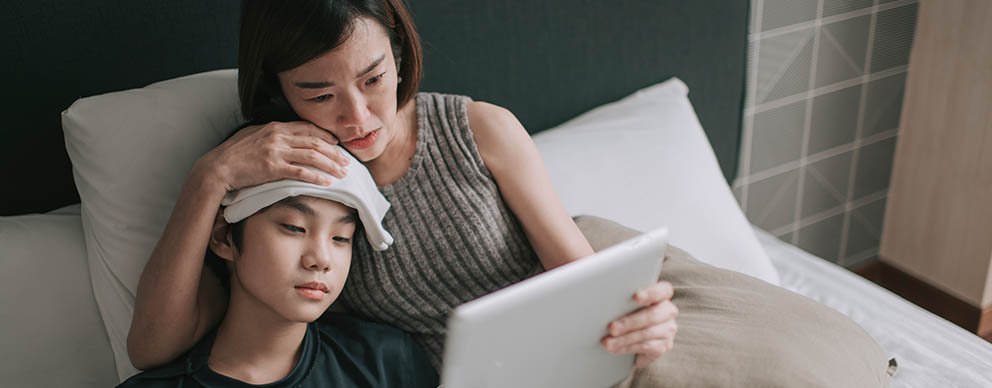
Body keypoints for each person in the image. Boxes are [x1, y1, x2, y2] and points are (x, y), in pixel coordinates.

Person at [128, 0, 678, 375]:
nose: (359, 116)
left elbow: (581, 281)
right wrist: (210, 176)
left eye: (373, 78)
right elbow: (153, 347)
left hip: (567, 358)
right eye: (319, 95)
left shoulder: (479, 129)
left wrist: (634, 320)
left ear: (399, 51)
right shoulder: (286, 177)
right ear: (279, 90)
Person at [118, 152, 438, 387]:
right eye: (294, 228)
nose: (321, 259)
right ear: (224, 237)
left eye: (341, 238)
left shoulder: (388, 362)